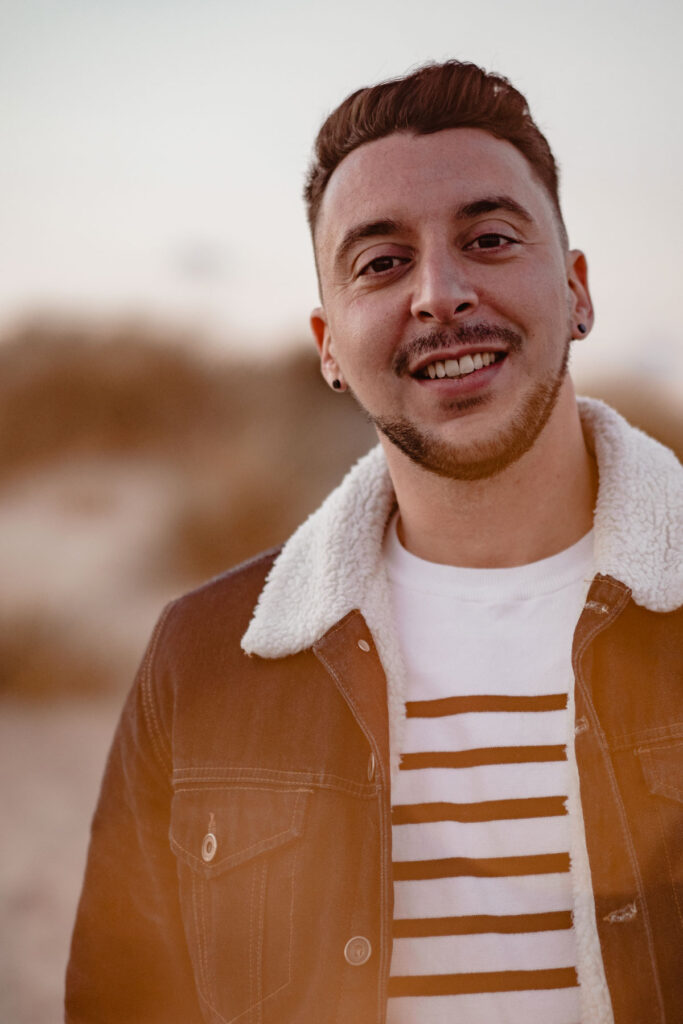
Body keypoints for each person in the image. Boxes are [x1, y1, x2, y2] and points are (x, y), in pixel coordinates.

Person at [65, 60, 682, 1024]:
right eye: (381, 263)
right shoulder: (205, 658)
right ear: (328, 347)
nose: (439, 293)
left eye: (487, 238)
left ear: (575, 292)